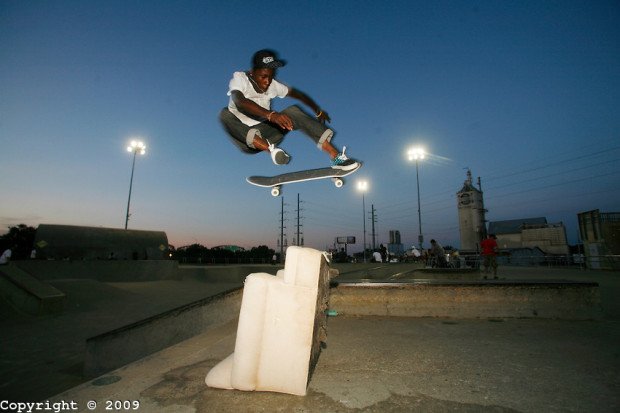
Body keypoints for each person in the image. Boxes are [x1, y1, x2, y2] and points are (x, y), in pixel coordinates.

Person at [219, 49, 360, 170]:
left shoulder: (273, 85)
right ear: (252, 72)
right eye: (263, 76)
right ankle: (273, 152)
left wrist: (317, 110)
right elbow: (240, 101)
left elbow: (299, 95)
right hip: (244, 138)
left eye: (271, 76)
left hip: (267, 134)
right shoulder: (240, 79)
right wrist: (271, 115)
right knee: (224, 114)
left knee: (293, 111)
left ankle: (336, 158)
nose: (267, 82)